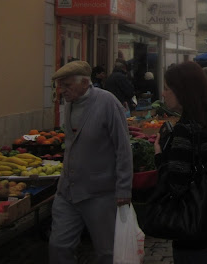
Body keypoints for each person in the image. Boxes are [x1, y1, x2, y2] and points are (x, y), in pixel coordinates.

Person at [48, 60, 133, 264]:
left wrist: (123, 188)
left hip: (99, 193)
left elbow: (123, 148)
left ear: (85, 83)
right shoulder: (70, 103)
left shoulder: (107, 103)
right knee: (59, 245)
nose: (62, 90)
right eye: (60, 85)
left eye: (67, 85)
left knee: (107, 252)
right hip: (68, 191)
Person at [153, 62, 207, 263]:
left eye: (167, 88)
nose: (163, 94)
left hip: (195, 226)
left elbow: (176, 186)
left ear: (182, 91)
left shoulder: (185, 129)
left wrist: (160, 156)